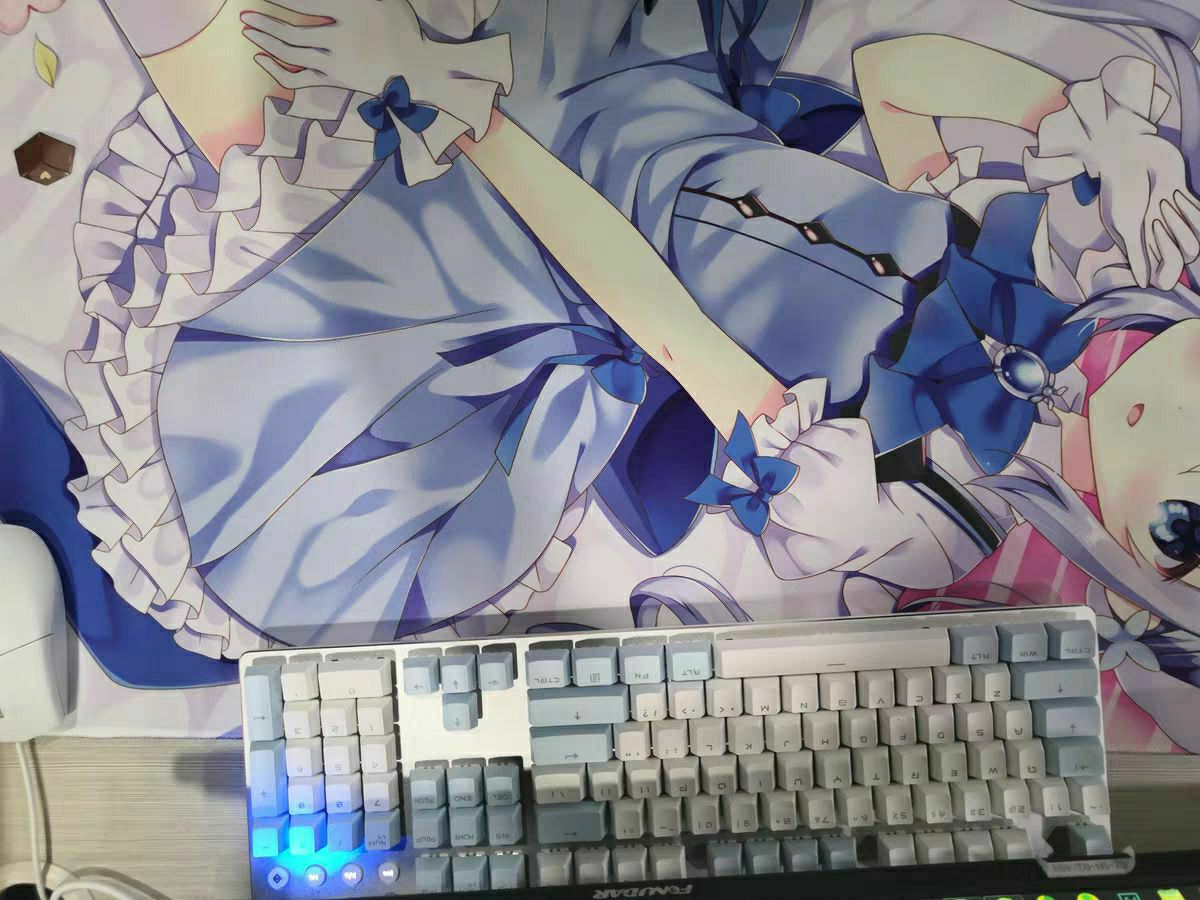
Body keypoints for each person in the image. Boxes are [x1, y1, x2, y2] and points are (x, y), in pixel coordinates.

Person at [63, 0, 1199, 670]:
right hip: (660, 99)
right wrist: (1069, 115)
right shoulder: (1050, 278)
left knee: (291, 131)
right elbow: (888, 79)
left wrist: (461, 113)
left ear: (1153, 574)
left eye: (1191, 524)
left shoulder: (919, 512)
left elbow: (667, 322)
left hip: (538, 236)